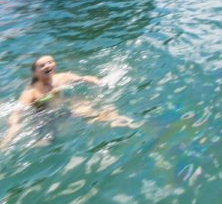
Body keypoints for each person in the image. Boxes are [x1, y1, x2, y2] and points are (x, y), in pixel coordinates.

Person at [1, 55, 134, 148]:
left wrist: (98, 81)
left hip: (65, 109)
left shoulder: (63, 77)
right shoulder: (30, 92)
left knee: (86, 108)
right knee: (47, 142)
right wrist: (14, 125)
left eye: (50, 62)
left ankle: (120, 121)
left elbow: (83, 78)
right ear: (35, 73)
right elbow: (17, 110)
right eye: (42, 65)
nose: (48, 65)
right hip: (44, 118)